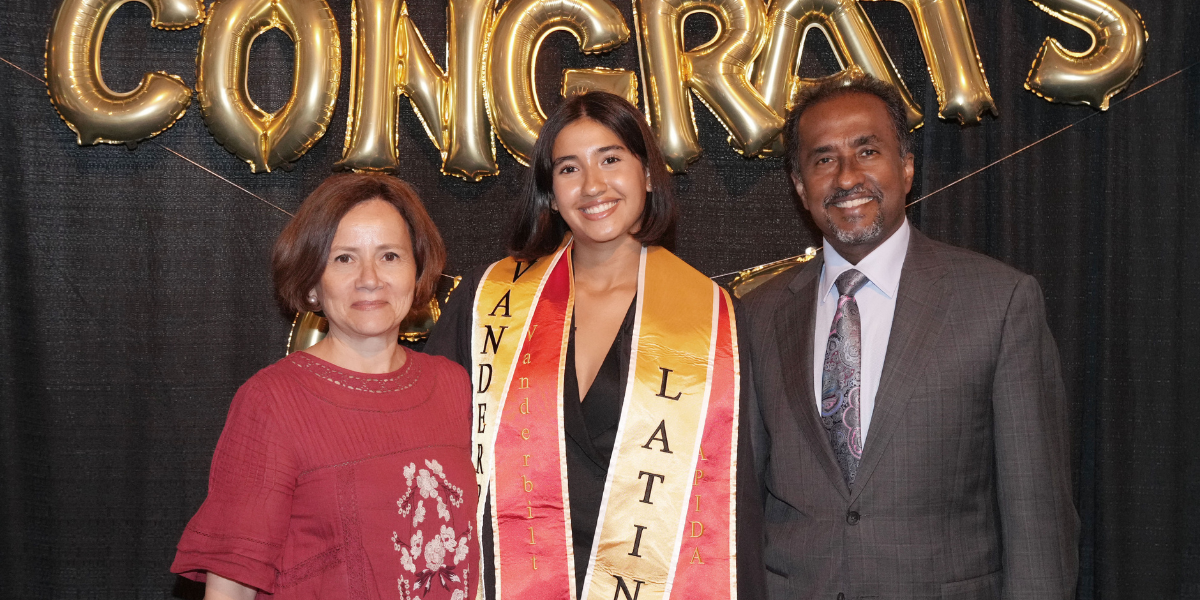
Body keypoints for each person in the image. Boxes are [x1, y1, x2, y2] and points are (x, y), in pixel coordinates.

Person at [740, 75, 1079, 599]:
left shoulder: (999, 302)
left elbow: (1037, 515)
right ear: (800, 186)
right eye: (824, 159)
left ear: (906, 167)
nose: (847, 176)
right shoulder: (757, 316)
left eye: (867, 151)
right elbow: (740, 503)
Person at [425, 91, 763, 600]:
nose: (592, 186)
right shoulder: (489, 300)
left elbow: (734, 494)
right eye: (568, 169)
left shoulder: (712, 319)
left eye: (610, 159)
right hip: (506, 578)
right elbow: (430, 454)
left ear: (647, 174)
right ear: (550, 193)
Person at [171, 174, 478, 600]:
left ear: (418, 271)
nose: (370, 278)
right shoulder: (273, 401)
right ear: (313, 282)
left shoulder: (454, 386)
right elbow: (232, 589)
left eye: (389, 256)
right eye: (344, 258)